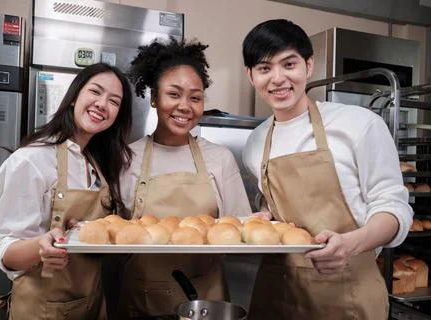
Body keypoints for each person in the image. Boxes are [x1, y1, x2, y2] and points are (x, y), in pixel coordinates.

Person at [241, 19, 413, 319]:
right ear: (251, 75)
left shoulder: (359, 125)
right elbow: (276, 203)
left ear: (309, 66)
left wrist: (350, 244)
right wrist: (267, 216)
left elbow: (395, 210)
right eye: (264, 68)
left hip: (348, 292)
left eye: (289, 64)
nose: (278, 78)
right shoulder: (255, 142)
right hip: (278, 292)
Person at [0, 63, 133, 320]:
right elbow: (6, 251)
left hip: (92, 304)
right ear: (75, 95)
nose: (102, 104)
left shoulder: (100, 165)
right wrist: (41, 248)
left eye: (114, 101)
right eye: (95, 92)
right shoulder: (32, 160)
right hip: (43, 309)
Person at [118, 38, 252, 318]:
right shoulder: (127, 159)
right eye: (174, 94)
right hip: (144, 297)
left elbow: (239, 228)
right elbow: (112, 232)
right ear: (154, 97)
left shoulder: (220, 158)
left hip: (207, 301)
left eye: (195, 97)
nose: (185, 106)